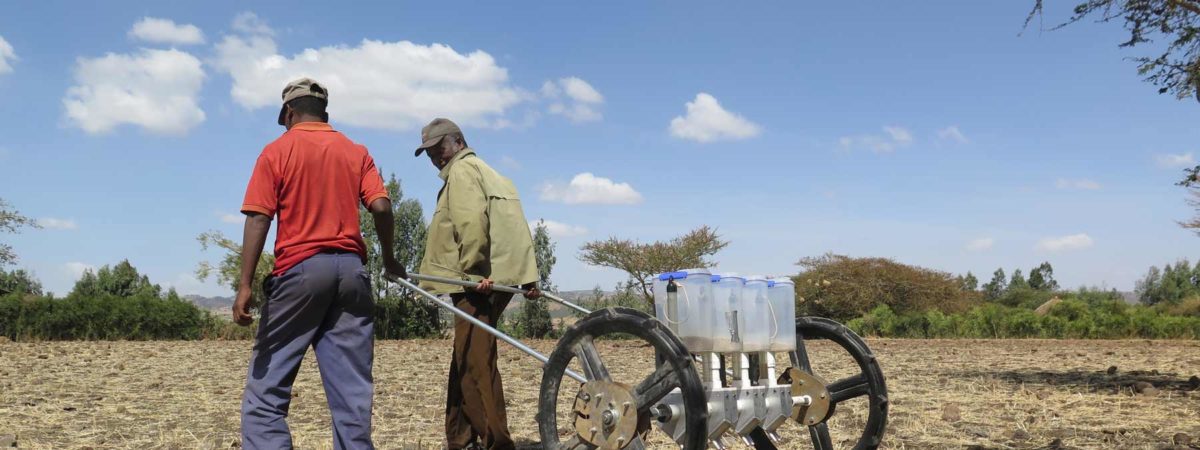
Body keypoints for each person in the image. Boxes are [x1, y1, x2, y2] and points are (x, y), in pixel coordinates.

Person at [234, 77, 406, 450]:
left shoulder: (276, 152)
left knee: (267, 391)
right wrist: (390, 259)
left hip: (300, 272)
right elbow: (380, 206)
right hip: (351, 274)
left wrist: (245, 285)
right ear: (324, 112)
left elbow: (259, 217)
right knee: (351, 394)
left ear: (290, 112)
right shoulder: (355, 150)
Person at [414, 118, 541, 450]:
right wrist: (527, 277)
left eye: (438, 148)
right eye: (428, 152)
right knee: (467, 354)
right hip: (498, 277)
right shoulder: (490, 172)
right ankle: (460, 437)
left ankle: (496, 441)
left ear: (457, 142)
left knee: (475, 364)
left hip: (478, 280)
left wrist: (471, 273)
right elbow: (514, 223)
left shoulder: (461, 172)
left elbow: (472, 221)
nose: (434, 157)